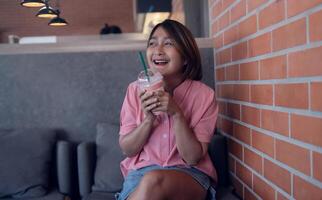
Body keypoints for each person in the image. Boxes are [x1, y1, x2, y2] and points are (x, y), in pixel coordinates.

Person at [118, 19, 218, 200]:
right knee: (150, 181)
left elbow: (192, 158)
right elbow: (128, 150)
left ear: (186, 57)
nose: (158, 50)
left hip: (189, 175)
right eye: (152, 43)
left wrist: (177, 113)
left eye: (169, 43)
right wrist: (148, 120)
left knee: (153, 180)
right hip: (139, 175)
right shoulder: (134, 90)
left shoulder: (204, 95)